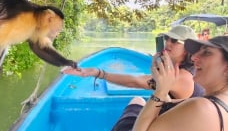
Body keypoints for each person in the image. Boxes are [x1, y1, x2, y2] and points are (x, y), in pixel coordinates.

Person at [62, 25, 204, 100]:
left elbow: (136, 81)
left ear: (187, 49)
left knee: (138, 101)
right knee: (138, 100)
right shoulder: (178, 68)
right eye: (167, 38)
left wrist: (98, 73)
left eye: (174, 41)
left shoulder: (182, 77)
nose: (167, 43)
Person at [130, 35, 228, 131]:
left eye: (206, 52)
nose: (193, 58)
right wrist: (166, 98)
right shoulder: (222, 102)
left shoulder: (202, 108)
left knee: (137, 101)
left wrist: (161, 91)